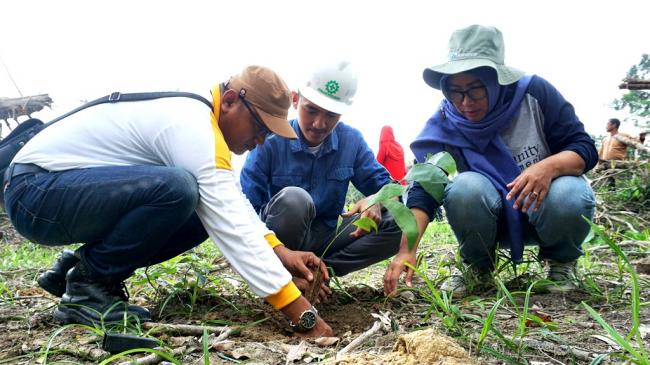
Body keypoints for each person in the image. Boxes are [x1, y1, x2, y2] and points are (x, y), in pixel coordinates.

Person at [4, 65, 332, 337]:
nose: (260, 140)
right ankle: (88, 287)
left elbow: (232, 203)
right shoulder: (193, 126)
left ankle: (82, 272)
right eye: (259, 126)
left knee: (194, 205)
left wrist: (281, 252)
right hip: (35, 190)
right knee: (179, 189)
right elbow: (232, 227)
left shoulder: (198, 122)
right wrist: (302, 315)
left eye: (268, 134)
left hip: (54, 190)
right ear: (230, 100)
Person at [383, 25, 598, 298]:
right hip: (491, 220)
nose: (465, 102)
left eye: (475, 90)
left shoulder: (534, 94)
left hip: (547, 212)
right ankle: (479, 268)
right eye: (454, 91)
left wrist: (547, 167)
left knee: (570, 192)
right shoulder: (446, 121)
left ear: (497, 81)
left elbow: (584, 148)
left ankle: (561, 264)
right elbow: (426, 187)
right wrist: (406, 250)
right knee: (464, 186)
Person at [240, 61, 402, 300]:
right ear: (295, 100)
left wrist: (375, 199)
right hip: (279, 242)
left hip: (326, 236)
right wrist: (273, 257)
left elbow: (390, 189)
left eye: (331, 115)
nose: (319, 124)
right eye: (311, 110)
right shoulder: (271, 142)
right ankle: (281, 275)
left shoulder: (352, 141)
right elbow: (244, 211)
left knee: (398, 220)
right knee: (294, 200)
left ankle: (316, 273)